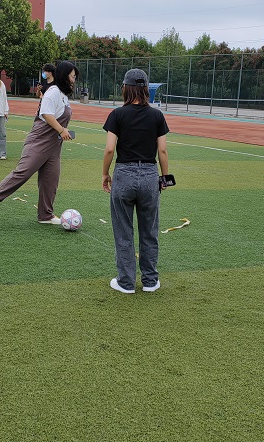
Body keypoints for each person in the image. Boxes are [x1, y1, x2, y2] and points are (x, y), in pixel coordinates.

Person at [0, 61, 79, 224]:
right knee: (24, 171)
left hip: (54, 145)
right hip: (39, 140)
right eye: (72, 76)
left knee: (51, 180)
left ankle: (45, 215)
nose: (74, 79)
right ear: (63, 75)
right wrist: (62, 129)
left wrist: (62, 132)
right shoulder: (53, 92)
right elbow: (46, 114)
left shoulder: (63, 95)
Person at [102, 68, 170, 294]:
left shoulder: (117, 115)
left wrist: (105, 173)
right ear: (145, 89)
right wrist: (164, 178)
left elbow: (110, 149)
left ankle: (126, 282)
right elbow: (162, 151)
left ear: (125, 88)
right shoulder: (157, 116)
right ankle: (150, 281)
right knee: (149, 231)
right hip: (150, 174)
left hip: (124, 174)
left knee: (124, 231)